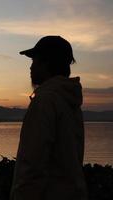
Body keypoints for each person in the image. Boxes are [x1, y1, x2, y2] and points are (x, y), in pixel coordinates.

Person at [10, 36, 88, 200]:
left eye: (34, 61)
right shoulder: (70, 101)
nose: (30, 67)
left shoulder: (44, 101)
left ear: (46, 63)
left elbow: (31, 167)